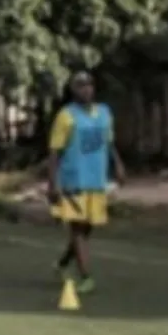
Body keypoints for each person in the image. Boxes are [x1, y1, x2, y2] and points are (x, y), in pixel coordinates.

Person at [46, 71, 126, 294]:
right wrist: (52, 184)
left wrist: (117, 164)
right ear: (73, 90)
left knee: (86, 230)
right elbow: (54, 152)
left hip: (96, 180)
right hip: (73, 181)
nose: (86, 89)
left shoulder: (104, 113)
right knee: (78, 229)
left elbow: (108, 142)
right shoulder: (66, 116)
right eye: (80, 86)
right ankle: (86, 276)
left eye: (89, 85)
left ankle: (62, 264)